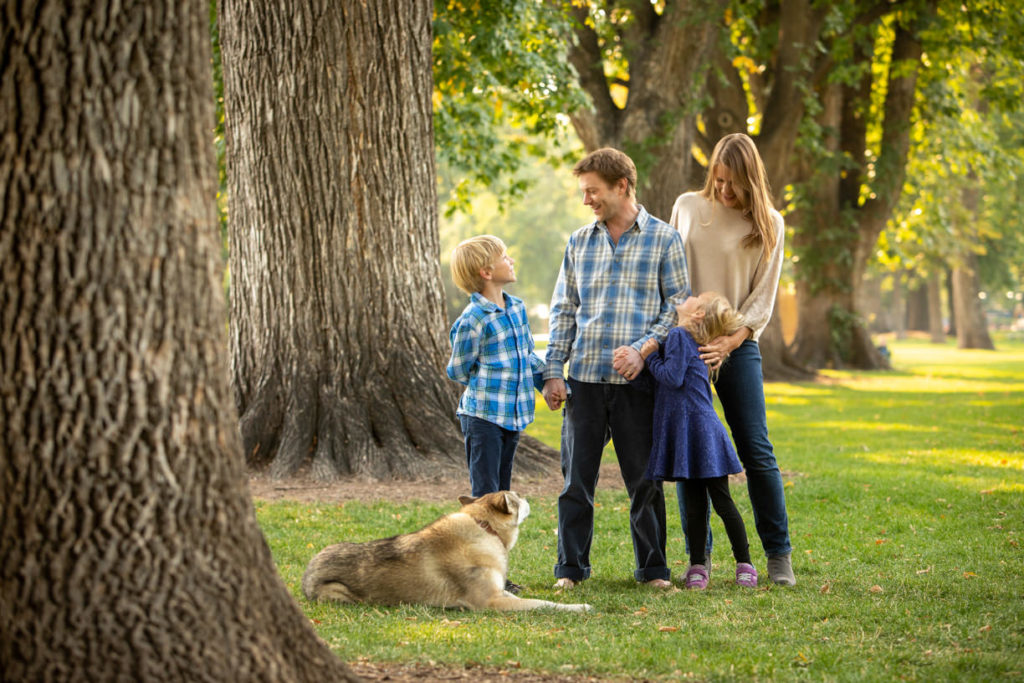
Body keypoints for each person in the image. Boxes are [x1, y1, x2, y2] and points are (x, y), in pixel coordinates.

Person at [543, 148, 689, 590]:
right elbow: (564, 310)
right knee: (575, 482)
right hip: (584, 380)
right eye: (584, 191)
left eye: (593, 191)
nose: (587, 199)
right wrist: (554, 370)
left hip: (637, 383)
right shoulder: (578, 242)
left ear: (621, 185)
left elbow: (678, 308)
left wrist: (643, 350)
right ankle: (570, 569)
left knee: (644, 481)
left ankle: (652, 570)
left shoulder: (665, 239)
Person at [668, 132, 795, 585]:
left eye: (733, 184)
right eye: (718, 180)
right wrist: (685, 336)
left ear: (751, 179)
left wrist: (729, 343)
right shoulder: (687, 206)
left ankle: (778, 555)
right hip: (685, 347)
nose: (724, 191)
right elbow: (671, 274)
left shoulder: (770, 225)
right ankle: (696, 559)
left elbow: (762, 300)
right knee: (690, 454)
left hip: (737, 345)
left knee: (756, 449)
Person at [638, 293, 758, 590]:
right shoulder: (686, 340)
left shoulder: (679, 336)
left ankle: (703, 567)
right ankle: (738, 565)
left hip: (694, 431)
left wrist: (650, 355)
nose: (687, 295)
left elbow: (673, 377)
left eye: (695, 297)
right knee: (718, 502)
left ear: (698, 314)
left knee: (701, 505)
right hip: (697, 430)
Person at [446, 235, 544, 596]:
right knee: (484, 500)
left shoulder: (516, 308)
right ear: (487, 271)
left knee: (502, 502)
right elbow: (457, 369)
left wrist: (548, 382)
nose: (511, 259)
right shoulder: (473, 318)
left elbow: (528, 357)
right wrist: (485, 377)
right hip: (483, 417)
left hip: (512, 417)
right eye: (505, 256)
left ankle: (497, 572)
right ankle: (479, 572)